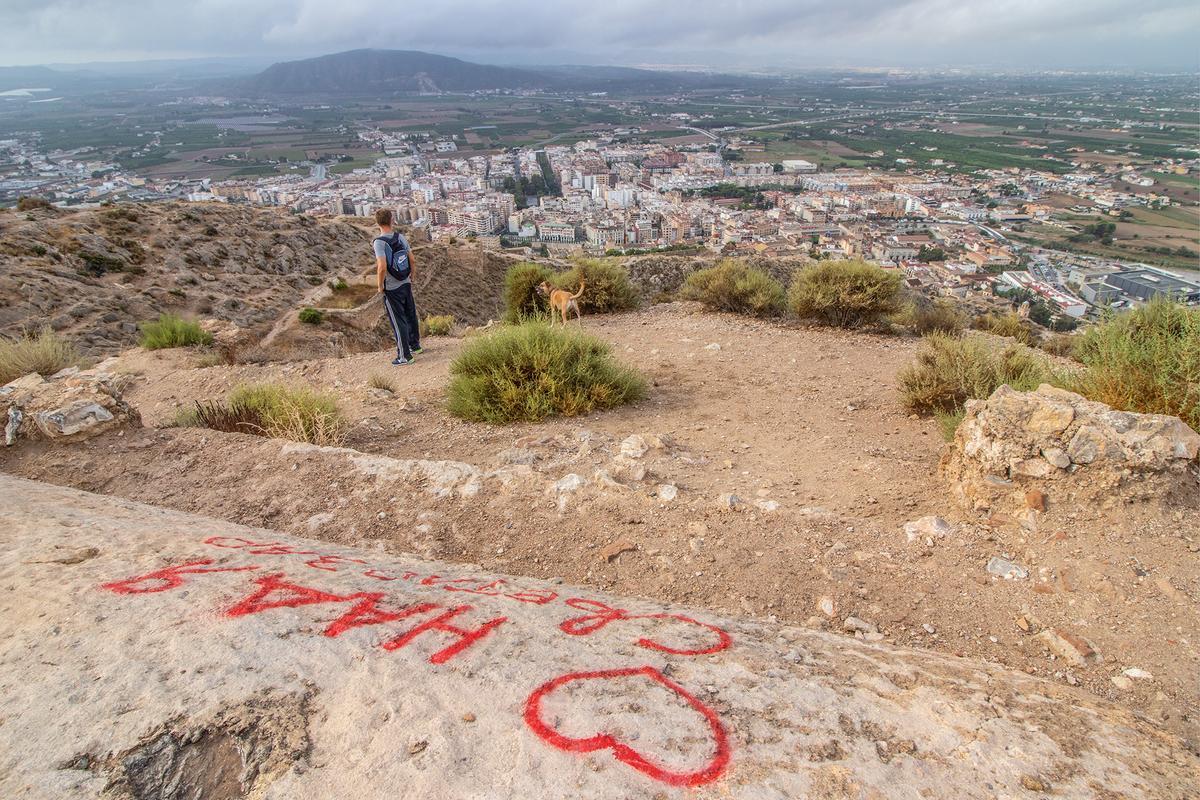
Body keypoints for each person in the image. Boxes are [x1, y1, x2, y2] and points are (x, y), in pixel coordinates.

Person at [373, 209, 422, 365]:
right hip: (405, 282)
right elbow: (412, 260)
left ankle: (404, 356)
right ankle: (415, 346)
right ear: (392, 220)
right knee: (410, 314)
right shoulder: (400, 237)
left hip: (392, 288)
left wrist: (380, 286)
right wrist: (412, 276)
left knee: (398, 320)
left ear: (377, 223)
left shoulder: (379, 242)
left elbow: (382, 267)